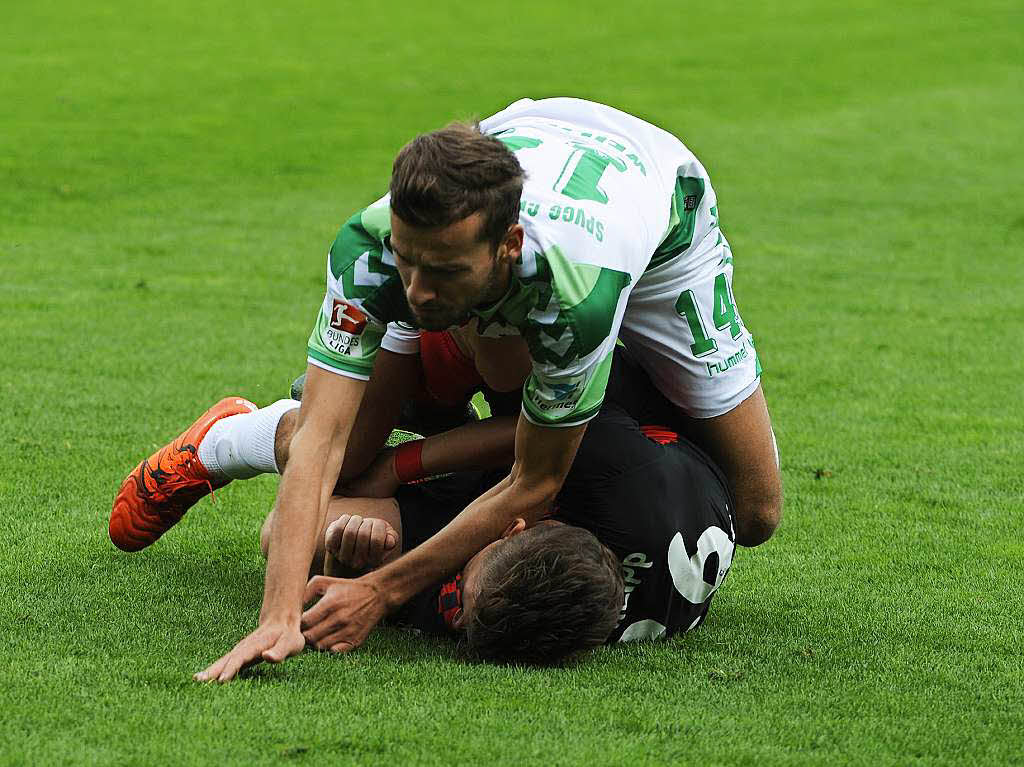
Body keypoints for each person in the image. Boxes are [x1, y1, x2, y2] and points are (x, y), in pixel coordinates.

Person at [111, 97, 780, 681]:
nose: (417, 291)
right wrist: (277, 616)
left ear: (509, 244)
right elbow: (322, 435)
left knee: (755, 513)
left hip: (660, 212)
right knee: (344, 447)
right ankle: (223, 440)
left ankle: (442, 393)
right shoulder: (369, 249)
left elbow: (536, 481)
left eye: (445, 271)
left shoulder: (578, 297)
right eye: (408, 261)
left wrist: (379, 588)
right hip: (526, 139)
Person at [297, 347, 737, 663]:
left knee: (306, 533)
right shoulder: (623, 480)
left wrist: (349, 566)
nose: (449, 574)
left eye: (460, 596)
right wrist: (396, 466)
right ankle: (421, 393)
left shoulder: (517, 616)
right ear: (519, 526)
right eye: (465, 566)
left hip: (575, 500)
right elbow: (528, 435)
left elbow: (444, 603)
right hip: (628, 418)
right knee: (513, 350)